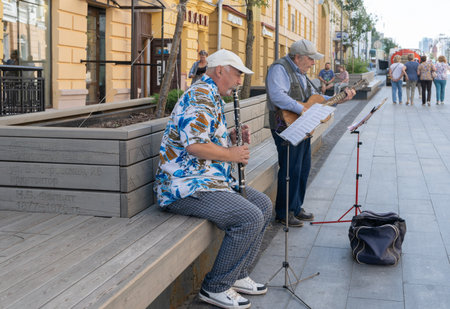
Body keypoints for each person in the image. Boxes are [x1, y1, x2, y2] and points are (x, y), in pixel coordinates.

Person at [155, 49, 272, 309]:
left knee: (263, 205)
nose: (240, 81)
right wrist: (231, 154)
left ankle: (238, 275)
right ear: (220, 70)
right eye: (238, 73)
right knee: (249, 217)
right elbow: (195, 147)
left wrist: (229, 138)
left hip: (209, 180)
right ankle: (215, 287)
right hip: (184, 187)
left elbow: (204, 138)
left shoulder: (211, 96)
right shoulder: (199, 96)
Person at [265, 39, 355, 227]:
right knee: (290, 168)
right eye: (310, 59)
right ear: (297, 57)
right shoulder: (279, 68)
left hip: (302, 125)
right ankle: (283, 212)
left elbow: (316, 100)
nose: (313, 63)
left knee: (303, 167)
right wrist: (301, 109)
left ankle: (296, 207)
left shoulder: (300, 73)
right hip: (284, 125)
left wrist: (339, 99)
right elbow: (277, 95)